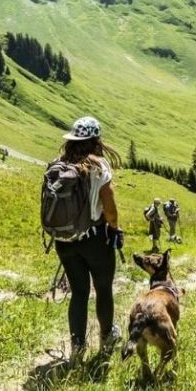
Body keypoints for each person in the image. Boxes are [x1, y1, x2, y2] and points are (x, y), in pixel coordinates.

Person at [53, 116, 123, 362]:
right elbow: (110, 207)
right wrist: (115, 228)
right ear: (95, 140)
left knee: (79, 293)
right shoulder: (99, 166)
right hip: (94, 239)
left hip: (64, 241)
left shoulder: (59, 164)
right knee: (103, 288)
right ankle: (106, 339)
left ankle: (77, 349)